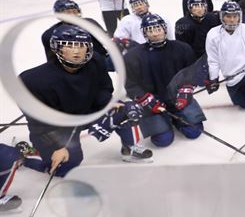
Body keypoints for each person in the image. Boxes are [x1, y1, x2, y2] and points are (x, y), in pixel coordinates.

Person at [20, 25, 152, 178]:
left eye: (81, 45)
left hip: (87, 110)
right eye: (69, 46)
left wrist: (108, 104)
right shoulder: (33, 80)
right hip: (59, 126)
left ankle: (130, 148)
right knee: (68, 168)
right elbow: (39, 123)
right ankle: (27, 155)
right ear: (57, 49)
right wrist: (59, 146)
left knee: (127, 109)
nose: (76, 51)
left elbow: (102, 89)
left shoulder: (95, 61)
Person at [124, 14, 205, 147]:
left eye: (158, 29)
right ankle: (165, 120)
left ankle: (175, 119)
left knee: (194, 131)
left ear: (164, 29)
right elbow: (131, 84)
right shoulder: (133, 56)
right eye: (150, 30)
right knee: (162, 141)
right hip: (153, 102)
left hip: (177, 98)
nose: (155, 34)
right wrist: (146, 100)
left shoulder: (182, 48)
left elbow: (191, 73)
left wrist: (186, 90)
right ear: (144, 33)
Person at [204, 1, 245, 132]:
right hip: (232, 77)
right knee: (243, 103)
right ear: (222, 16)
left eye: (235, 16)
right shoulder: (213, 34)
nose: (232, 19)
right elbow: (213, 60)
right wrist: (214, 78)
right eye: (228, 16)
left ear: (239, 16)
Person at [41, 0, 108, 61]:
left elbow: (107, 40)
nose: (72, 15)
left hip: (100, 61)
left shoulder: (90, 22)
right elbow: (51, 59)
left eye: (74, 11)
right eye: (68, 12)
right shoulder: (50, 34)